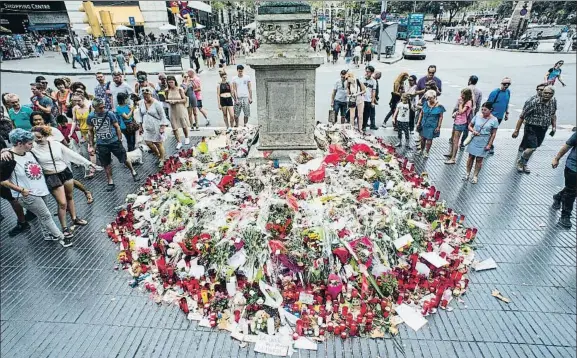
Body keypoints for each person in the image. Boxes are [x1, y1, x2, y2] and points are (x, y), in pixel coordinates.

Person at [27, 126, 98, 239]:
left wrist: (88, 163)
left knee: (70, 197)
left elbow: (72, 154)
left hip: (64, 172)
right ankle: (64, 228)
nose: (37, 140)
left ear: (46, 135)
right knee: (62, 203)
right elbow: (18, 151)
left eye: (39, 137)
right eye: (35, 138)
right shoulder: (32, 149)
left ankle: (74, 219)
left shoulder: (55, 144)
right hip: (51, 176)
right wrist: (4, 151)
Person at [0, 129, 68, 246]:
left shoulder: (29, 152)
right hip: (27, 194)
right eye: (30, 143)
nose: (32, 145)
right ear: (20, 143)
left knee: (42, 215)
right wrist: (21, 190)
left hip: (40, 189)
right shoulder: (9, 158)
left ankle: (47, 234)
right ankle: (61, 237)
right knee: (46, 215)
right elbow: (3, 181)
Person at [87, 97, 138, 191]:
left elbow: (117, 126)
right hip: (101, 143)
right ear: (95, 107)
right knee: (106, 163)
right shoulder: (91, 116)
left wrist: (119, 139)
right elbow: (90, 131)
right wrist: (91, 145)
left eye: (103, 107)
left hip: (114, 141)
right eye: (100, 107)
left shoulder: (109, 114)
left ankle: (133, 172)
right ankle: (110, 181)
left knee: (124, 158)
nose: (103, 109)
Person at [512, 85, 557, 174]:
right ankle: (520, 162)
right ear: (542, 93)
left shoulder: (553, 102)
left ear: (552, 95)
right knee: (531, 147)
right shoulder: (534, 102)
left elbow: (553, 115)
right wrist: (516, 130)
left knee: (534, 147)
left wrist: (554, 126)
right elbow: (522, 116)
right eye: (545, 93)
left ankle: (524, 163)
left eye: (549, 93)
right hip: (531, 127)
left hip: (543, 128)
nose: (547, 95)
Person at [464, 102, 499, 184]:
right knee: (470, 157)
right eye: (482, 109)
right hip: (474, 138)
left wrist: (489, 144)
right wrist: (473, 131)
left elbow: (493, 133)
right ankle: (467, 173)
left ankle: (475, 175)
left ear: (490, 110)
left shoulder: (494, 120)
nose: (483, 111)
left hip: (484, 139)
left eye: (485, 110)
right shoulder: (477, 116)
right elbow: (470, 126)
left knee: (479, 159)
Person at [139, 87, 170, 167]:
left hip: (156, 126)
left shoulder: (157, 103)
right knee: (148, 142)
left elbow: (163, 116)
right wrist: (140, 126)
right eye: (144, 95)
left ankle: (162, 159)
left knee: (158, 143)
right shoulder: (141, 102)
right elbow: (140, 115)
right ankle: (158, 155)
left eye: (147, 95)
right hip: (147, 126)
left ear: (151, 94)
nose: (145, 97)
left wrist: (162, 127)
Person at [552, 132, 576, 229]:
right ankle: (565, 216)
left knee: (573, 190)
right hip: (573, 167)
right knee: (571, 192)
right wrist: (556, 159)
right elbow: (566, 146)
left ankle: (558, 197)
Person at [445, 88, 473, 164]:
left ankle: (453, 158)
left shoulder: (469, 102)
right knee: (453, 139)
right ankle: (451, 153)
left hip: (461, 123)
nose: (461, 95)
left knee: (456, 141)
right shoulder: (462, 100)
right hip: (457, 120)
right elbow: (458, 111)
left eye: (463, 94)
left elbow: (461, 111)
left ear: (467, 95)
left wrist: (460, 104)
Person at [415, 90, 445, 158]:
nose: (428, 99)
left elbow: (441, 117)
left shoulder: (440, 106)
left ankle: (426, 152)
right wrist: (418, 122)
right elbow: (421, 113)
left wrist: (438, 127)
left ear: (434, 97)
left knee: (429, 139)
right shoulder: (425, 103)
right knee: (422, 139)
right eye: (427, 98)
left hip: (432, 125)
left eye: (430, 98)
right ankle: (421, 150)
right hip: (424, 124)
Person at [486, 77, 511, 154]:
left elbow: (507, 103)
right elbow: (488, 104)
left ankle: (489, 144)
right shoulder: (495, 92)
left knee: (493, 131)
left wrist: (506, 113)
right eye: (504, 84)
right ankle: (489, 145)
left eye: (508, 84)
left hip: (500, 116)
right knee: (489, 131)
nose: (506, 85)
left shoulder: (508, 92)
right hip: (492, 116)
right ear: (501, 83)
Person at [166, 75, 190, 149]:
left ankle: (186, 137)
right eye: (169, 82)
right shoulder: (167, 90)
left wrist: (177, 101)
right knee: (174, 126)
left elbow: (184, 99)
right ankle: (179, 142)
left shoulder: (179, 89)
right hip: (172, 109)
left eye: (172, 82)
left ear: (174, 82)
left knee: (183, 123)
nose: (171, 84)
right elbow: (165, 99)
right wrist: (169, 101)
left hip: (180, 108)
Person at [362, 66, 377, 131]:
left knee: (366, 114)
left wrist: (372, 102)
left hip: (368, 99)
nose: (367, 73)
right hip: (361, 99)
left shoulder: (373, 81)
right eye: (366, 71)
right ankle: (360, 125)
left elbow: (373, 92)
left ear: (372, 73)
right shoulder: (361, 78)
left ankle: (364, 126)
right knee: (359, 113)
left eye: (369, 72)